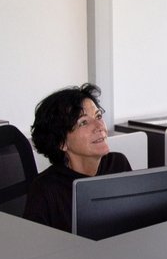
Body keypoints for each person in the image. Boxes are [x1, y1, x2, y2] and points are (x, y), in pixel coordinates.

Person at [23, 83, 131, 232]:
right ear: (61, 143)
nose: (99, 126)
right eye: (84, 122)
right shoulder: (46, 189)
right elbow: (35, 247)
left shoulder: (118, 164)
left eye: (98, 116)